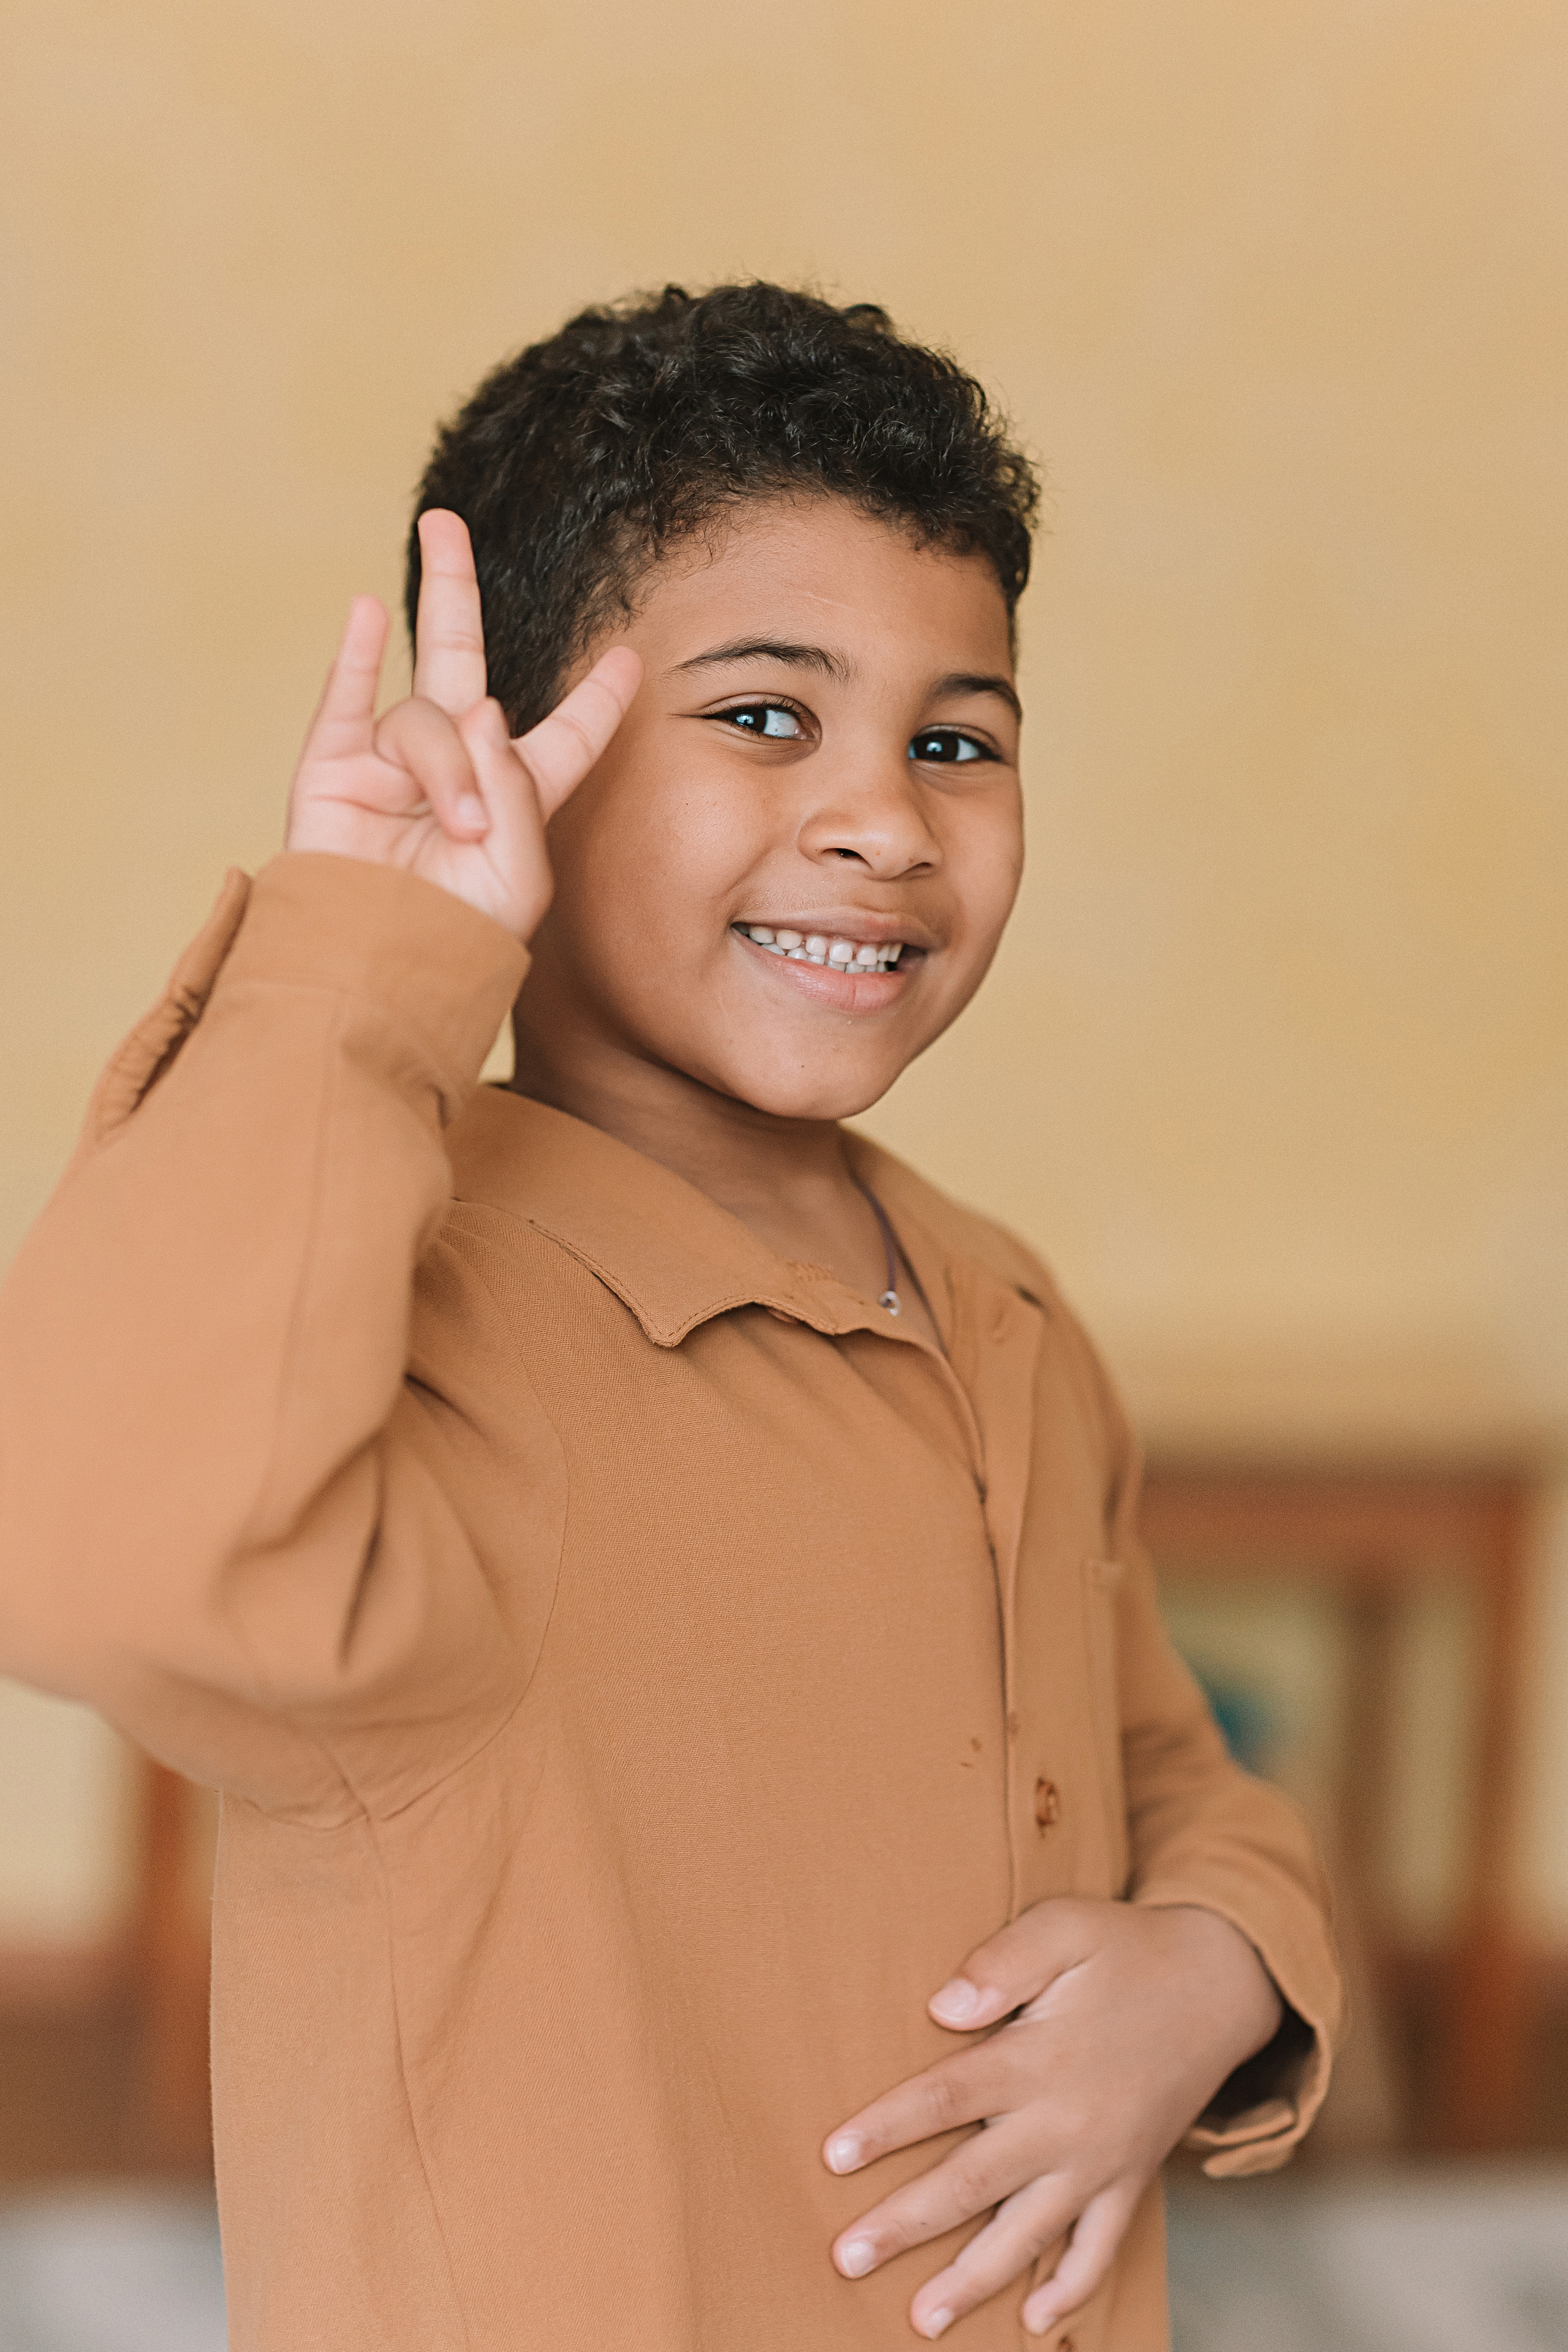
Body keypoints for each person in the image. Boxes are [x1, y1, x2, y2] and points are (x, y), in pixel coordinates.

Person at [0, 284, 1339, 2351]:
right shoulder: (411, 1324)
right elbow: (94, 1553)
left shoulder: (1003, 1313)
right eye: (766, 714)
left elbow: (1180, 1772)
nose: (887, 818)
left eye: (957, 740)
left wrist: (1218, 1970)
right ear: (522, 767)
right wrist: (364, 962)